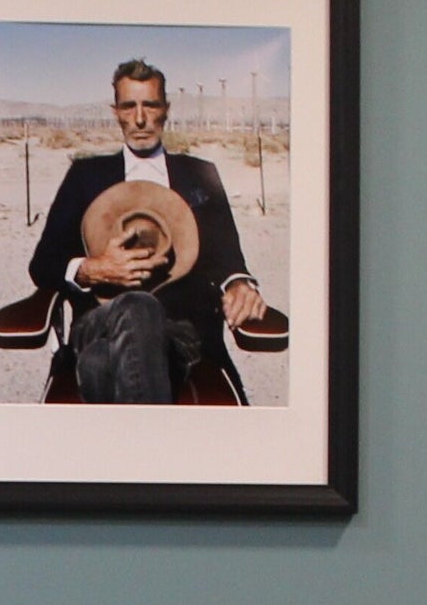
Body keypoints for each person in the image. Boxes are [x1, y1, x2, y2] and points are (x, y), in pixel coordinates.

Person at [22, 60, 269, 404]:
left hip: (180, 337)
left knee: (100, 358)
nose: (140, 119)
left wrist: (239, 283)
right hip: (98, 323)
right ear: (116, 112)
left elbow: (227, 257)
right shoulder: (84, 175)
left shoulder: (199, 175)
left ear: (166, 110)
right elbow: (44, 263)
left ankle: (98, 370)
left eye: (150, 105)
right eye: (129, 106)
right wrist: (92, 268)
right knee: (136, 306)